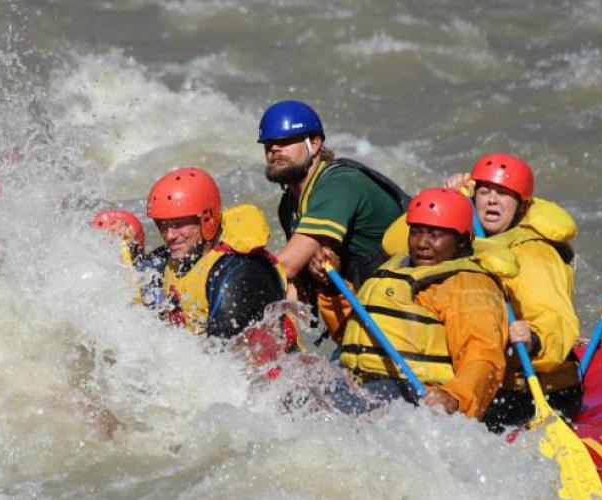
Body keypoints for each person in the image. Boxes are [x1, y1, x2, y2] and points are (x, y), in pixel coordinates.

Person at [334, 188, 513, 419]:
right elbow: (350, 333)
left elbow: (482, 357)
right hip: (364, 384)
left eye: (435, 235)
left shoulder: (468, 285)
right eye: (416, 232)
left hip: (414, 395)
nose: (422, 244)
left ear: (461, 240)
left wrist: (455, 397)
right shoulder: (397, 267)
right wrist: (330, 291)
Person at [444, 152, 583, 429]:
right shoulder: (460, 239)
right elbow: (402, 246)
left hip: (531, 389)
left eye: (504, 194)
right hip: (483, 375)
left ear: (521, 206)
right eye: (485, 192)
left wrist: (534, 339)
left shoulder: (534, 254)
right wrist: (447, 201)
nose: (492, 200)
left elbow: (555, 318)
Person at [257, 100, 409, 342]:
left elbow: (285, 266)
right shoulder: (289, 205)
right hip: (367, 313)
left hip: (407, 313)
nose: (274, 149)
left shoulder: (339, 184)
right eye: (268, 144)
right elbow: (294, 285)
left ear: (315, 144)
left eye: (285, 141)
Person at [137, 167, 288, 340]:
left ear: (207, 220)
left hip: (268, 365)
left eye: (178, 225)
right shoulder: (169, 257)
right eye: (162, 226)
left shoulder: (238, 274)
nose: (169, 236)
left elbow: (219, 357)